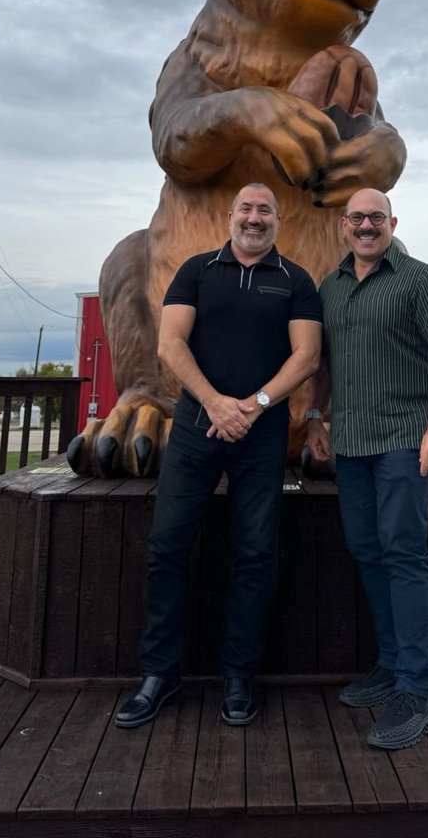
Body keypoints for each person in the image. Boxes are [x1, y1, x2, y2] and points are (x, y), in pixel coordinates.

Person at [116, 182, 322, 729]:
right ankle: (159, 673)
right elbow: (170, 343)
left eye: (265, 210)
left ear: (277, 220)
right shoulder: (197, 270)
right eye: (246, 209)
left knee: (255, 552)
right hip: (195, 426)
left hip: (264, 431)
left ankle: (238, 675)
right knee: (168, 545)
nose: (255, 218)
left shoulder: (295, 280)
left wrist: (254, 406)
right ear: (231, 216)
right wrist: (213, 402)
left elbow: (306, 356)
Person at [306, 187, 428, 750]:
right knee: (367, 550)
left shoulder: (423, 280)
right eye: (356, 217)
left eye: (375, 217)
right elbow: (324, 362)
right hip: (351, 443)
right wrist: (314, 417)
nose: (365, 226)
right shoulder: (331, 286)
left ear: (392, 223)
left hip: (405, 440)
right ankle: (392, 663)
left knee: (403, 553)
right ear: (343, 226)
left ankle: (416, 692)